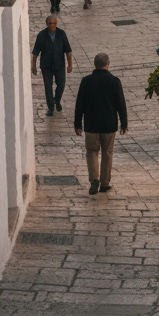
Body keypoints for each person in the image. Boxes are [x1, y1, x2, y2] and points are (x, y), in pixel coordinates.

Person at [74, 51, 127, 195]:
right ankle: (105, 183)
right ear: (108, 64)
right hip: (109, 125)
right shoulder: (114, 81)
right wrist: (124, 124)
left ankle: (94, 180)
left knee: (92, 152)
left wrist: (78, 124)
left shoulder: (86, 81)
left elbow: (79, 104)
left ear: (95, 65)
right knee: (107, 153)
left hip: (91, 125)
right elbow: (121, 104)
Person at [30, 15, 73, 116]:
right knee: (48, 87)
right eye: (50, 23)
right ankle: (50, 107)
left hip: (59, 65)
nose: (52, 25)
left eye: (54, 23)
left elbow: (68, 51)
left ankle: (57, 100)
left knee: (61, 84)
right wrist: (33, 66)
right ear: (47, 24)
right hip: (46, 66)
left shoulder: (61, 34)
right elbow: (35, 53)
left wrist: (70, 65)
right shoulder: (41, 35)